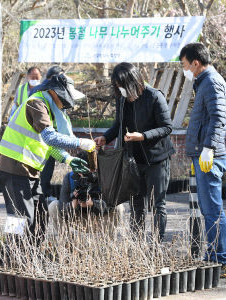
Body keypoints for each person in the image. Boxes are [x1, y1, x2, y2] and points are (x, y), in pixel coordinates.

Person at [0, 73, 95, 240]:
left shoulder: (48, 109)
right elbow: (51, 138)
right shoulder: (37, 103)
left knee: (41, 214)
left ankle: (32, 255)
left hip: (29, 170)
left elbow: (47, 146)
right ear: (56, 92)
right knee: (19, 218)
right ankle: (13, 256)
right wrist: (80, 142)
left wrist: (68, 159)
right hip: (14, 167)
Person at [95, 62, 175, 241]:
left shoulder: (154, 96)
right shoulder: (122, 98)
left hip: (156, 159)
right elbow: (119, 124)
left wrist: (143, 136)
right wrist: (106, 138)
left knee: (157, 205)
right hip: (133, 160)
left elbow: (167, 127)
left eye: (123, 86)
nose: (121, 90)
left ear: (135, 82)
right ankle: (137, 244)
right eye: (118, 87)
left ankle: (156, 246)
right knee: (136, 204)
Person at [179, 43, 226, 269]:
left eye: (185, 65)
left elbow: (219, 118)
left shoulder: (211, 82)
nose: (184, 70)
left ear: (195, 63)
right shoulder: (205, 82)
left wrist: (209, 148)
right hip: (203, 154)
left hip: (208, 156)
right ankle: (216, 255)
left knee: (212, 210)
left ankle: (220, 258)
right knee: (209, 209)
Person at [48, 151, 124, 235]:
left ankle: (107, 240)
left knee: (118, 207)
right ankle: (65, 242)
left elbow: (110, 204)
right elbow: (62, 206)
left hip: (99, 219)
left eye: (86, 171)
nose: (82, 175)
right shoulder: (70, 178)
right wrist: (72, 205)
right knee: (53, 206)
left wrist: (93, 204)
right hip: (77, 218)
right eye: (79, 171)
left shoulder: (104, 177)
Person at [29, 66, 65, 203]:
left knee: (46, 165)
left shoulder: (43, 91)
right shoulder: (43, 93)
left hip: (45, 133)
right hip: (44, 133)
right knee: (44, 165)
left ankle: (42, 193)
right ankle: (42, 193)